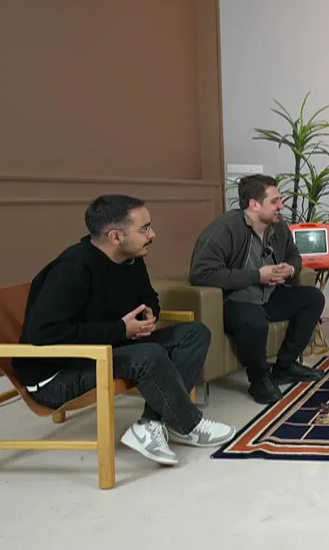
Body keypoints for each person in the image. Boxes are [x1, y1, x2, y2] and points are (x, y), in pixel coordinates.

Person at [14, 195, 236, 467]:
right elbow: (43, 333)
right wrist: (120, 329)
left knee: (195, 333)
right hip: (57, 375)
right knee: (148, 355)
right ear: (116, 236)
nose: (152, 234)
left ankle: (152, 425)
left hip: (105, 351)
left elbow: (148, 297)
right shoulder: (71, 268)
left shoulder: (131, 259)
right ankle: (188, 423)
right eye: (145, 229)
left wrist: (149, 315)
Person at [189, 174, 328, 405]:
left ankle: (284, 366)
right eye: (274, 201)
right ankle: (259, 378)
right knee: (254, 318)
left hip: (269, 295)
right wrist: (257, 275)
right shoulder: (225, 229)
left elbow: (294, 255)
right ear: (254, 204)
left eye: (280, 200)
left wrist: (290, 269)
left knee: (313, 297)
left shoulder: (278, 226)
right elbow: (202, 273)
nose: (281, 206)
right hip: (233, 301)